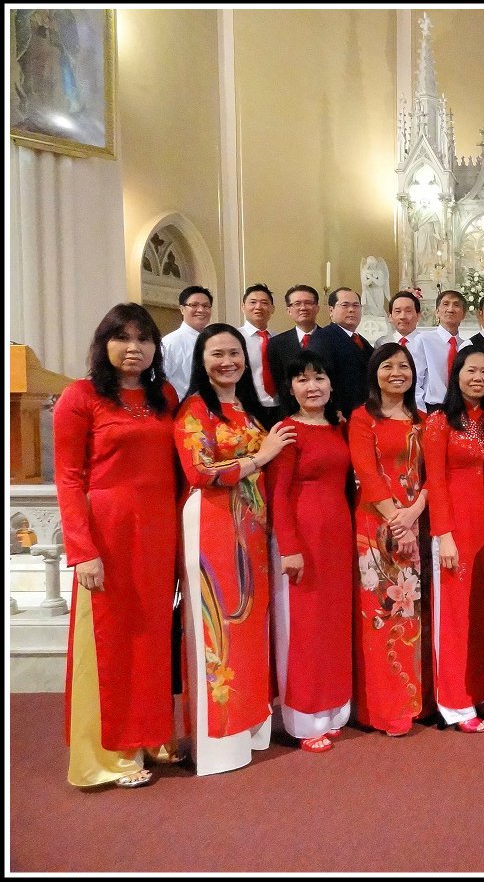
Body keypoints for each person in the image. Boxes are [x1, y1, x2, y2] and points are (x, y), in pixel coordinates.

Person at [55, 303, 182, 789]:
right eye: (123, 338)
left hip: (157, 529)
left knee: (152, 636)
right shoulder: (81, 397)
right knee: (109, 640)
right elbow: (67, 479)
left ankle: (149, 735)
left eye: (144, 338)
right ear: (103, 343)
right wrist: (82, 550)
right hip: (107, 531)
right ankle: (104, 756)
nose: (134, 348)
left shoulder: (164, 396)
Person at [174, 323, 296, 775]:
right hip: (212, 527)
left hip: (251, 531)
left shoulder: (244, 407)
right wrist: (260, 458)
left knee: (248, 625)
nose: (227, 362)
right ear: (201, 361)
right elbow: (199, 471)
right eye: (216, 354)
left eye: (235, 353)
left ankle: (249, 725)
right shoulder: (195, 410)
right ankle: (218, 739)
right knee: (218, 628)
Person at [267, 349, 354, 753]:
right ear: (290, 387)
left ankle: (333, 709)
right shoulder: (286, 431)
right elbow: (278, 496)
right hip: (303, 536)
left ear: (331, 384)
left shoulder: (338, 426)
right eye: (302, 379)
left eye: (319, 377)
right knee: (303, 627)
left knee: (333, 624)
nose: (312, 386)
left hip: (338, 535)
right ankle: (304, 718)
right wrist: (289, 547)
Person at [349, 342, 429, 737]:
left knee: (409, 613)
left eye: (404, 366)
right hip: (375, 528)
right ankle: (381, 709)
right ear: (374, 372)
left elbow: (433, 475)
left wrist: (413, 515)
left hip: (413, 524)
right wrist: (397, 521)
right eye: (387, 366)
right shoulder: (363, 418)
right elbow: (366, 470)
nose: (397, 372)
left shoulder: (422, 419)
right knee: (380, 616)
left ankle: (410, 702)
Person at [423, 347, 484, 732]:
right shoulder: (439, 422)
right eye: (472, 370)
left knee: (483, 612)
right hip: (455, 530)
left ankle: (481, 689)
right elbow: (434, 481)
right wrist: (444, 536)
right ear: (456, 374)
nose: (479, 378)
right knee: (453, 616)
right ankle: (455, 702)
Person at [309, 286, 373, 415]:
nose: (351, 310)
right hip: (340, 413)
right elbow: (320, 377)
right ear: (331, 310)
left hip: (364, 412)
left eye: (356, 305)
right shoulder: (323, 337)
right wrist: (333, 411)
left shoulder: (362, 341)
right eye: (345, 305)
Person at [416, 290, 471, 411]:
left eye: (456, 305)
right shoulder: (424, 340)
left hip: (461, 409)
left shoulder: (467, 346)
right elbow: (416, 379)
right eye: (445, 304)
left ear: (464, 314)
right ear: (437, 312)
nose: (450, 309)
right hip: (431, 408)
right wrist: (419, 412)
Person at [161, 285, 213, 398]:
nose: (201, 310)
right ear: (182, 309)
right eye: (194, 305)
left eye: (206, 306)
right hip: (181, 409)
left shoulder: (213, 341)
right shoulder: (170, 342)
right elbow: (159, 381)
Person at [268, 284, 322, 392]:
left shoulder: (331, 339)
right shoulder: (276, 343)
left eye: (308, 303)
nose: (303, 308)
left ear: (317, 308)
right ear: (289, 311)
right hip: (290, 405)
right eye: (297, 304)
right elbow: (278, 381)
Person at [238, 283, 279, 423]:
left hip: (279, 407)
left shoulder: (278, 339)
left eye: (264, 303)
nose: (258, 307)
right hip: (246, 406)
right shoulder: (235, 338)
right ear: (243, 307)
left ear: (272, 309)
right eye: (253, 302)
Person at [376, 289, 429, 387]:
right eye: (397, 311)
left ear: (418, 315)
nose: (402, 316)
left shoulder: (427, 344)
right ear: (390, 317)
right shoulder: (382, 343)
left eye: (408, 311)